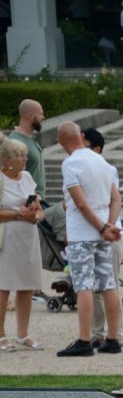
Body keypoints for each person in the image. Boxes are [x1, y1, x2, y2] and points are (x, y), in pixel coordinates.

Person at [54, 121, 123, 358]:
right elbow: (116, 198)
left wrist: (102, 226)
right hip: (104, 232)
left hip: (83, 233)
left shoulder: (70, 163)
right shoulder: (102, 161)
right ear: (82, 136)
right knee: (108, 283)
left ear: (62, 141)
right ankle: (113, 338)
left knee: (83, 284)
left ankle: (85, 340)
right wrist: (110, 225)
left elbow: (80, 203)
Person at [81, 127, 123, 351]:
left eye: (85, 145)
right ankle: (97, 333)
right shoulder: (80, 167)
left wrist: (108, 227)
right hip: (93, 232)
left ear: (97, 149)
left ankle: (115, 334)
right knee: (93, 287)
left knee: (109, 285)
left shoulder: (106, 169)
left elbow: (115, 200)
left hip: (108, 232)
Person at [0, 137, 44, 352]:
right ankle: (0, 335)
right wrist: (18, 214)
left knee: (27, 285)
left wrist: (36, 213)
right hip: (7, 238)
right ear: (7, 160)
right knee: (4, 286)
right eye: (21, 156)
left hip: (29, 236)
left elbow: (38, 205)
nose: (25, 159)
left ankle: (22, 333)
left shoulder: (26, 177)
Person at [10, 100, 45, 199]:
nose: (43, 117)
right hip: (26, 203)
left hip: (37, 201)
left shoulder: (31, 138)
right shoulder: (15, 142)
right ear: (30, 116)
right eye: (40, 114)